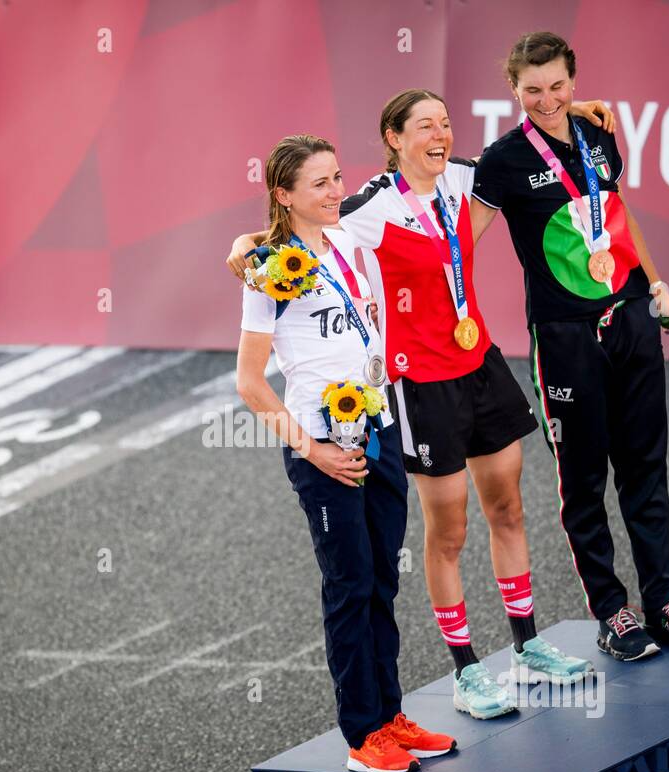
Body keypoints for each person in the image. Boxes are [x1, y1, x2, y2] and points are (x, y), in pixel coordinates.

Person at [228, 93, 612, 719]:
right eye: (424, 126)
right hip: (417, 381)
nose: (439, 134)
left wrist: (575, 108)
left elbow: (531, 144)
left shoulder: (468, 177)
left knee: (509, 507)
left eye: (445, 124)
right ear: (393, 137)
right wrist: (244, 244)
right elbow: (293, 226)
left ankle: (527, 645)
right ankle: (465, 671)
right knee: (450, 530)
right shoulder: (368, 205)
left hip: (479, 362)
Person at [468, 31, 669, 662]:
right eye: (532, 90)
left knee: (644, 463)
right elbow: (458, 240)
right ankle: (613, 613)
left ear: (573, 80)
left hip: (630, 313)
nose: (547, 99)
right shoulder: (500, 161)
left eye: (558, 86)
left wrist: (657, 288)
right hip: (563, 333)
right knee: (583, 477)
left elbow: (616, 211)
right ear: (512, 88)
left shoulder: (598, 133)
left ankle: (664, 602)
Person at [236, 134, 456, 772]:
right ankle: (363, 736)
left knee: (384, 580)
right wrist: (315, 453)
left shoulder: (350, 241)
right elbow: (249, 383)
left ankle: (390, 715)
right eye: (319, 184)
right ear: (283, 195)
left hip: (379, 429)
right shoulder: (268, 271)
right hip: (322, 447)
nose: (336, 192)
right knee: (349, 584)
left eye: (337, 178)